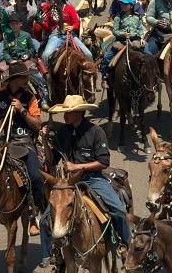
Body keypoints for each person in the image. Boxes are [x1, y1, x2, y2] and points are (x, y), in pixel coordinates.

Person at [51, 95, 131, 248]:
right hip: (68, 183)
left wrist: (77, 167)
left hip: (93, 179)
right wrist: (45, 140)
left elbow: (103, 162)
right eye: (65, 112)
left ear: (79, 113)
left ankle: (128, 246)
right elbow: (53, 160)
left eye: (68, 112)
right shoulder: (62, 132)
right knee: (45, 219)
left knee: (119, 211)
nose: (65, 115)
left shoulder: (96, 132)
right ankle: (50, 255)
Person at [0, 62, 46, 237]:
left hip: (24, 143)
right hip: (4, 143)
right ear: (14, 79)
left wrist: (22, 110)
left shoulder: (30, 97)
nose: (27, 80)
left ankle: (34, 214)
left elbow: (37, 125)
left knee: (35, 176)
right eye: (24, 77)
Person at [39, 0, 93, 65]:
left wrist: (72, 27)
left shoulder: (69, 8)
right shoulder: (50, 11)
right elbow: (47, 28)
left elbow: (76, 22)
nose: (48, 1)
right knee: (46, 55)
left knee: (88, 54)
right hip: (55, 36)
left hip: (70, 35)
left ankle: (91, 69)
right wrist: (42, 22)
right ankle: (47, 71)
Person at [100, 0, 146, 74]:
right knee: (107, 57)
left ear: (131, 6)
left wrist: (142, 38)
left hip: (135, 40)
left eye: (125, 4)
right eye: (121, 3)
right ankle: (106, 75)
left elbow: (141, 29)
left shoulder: (137, 17)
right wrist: (123, 34)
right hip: (121, 40)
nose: (122, 5)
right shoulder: (118, 17)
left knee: (149, 55)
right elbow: (115, 31)